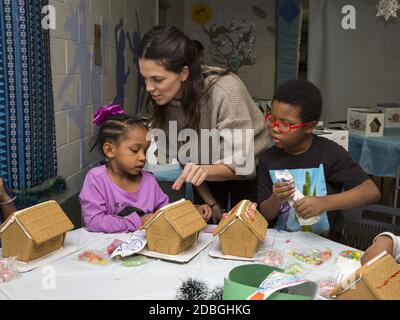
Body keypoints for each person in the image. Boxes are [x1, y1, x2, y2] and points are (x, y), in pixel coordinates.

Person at [138, 26, 270, 222]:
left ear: (183, 73)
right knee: (208, 227)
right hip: (207, 175)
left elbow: (243, 166)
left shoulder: (224, 90)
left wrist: (203, 170)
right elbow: (190, 163)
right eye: (145, 78)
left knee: (244, 232)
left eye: (157, 79)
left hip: (249, 171)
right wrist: (211, 203)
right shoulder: (164, 100)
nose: (149, 88)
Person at [257, 79, 380, 241]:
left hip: (326, 244)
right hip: (282, 245)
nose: (275, 128)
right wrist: (276, 199)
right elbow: (265, 214)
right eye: (272, 119)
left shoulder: (329, 153)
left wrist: (324, 203)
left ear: (309, 126)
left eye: (286, 125)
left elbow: (371, 192)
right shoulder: (268, 158)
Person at [79, 104, 211, 233]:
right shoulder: (96, 179)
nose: (143, 157)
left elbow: (166, 211)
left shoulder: (149, 180)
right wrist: (139, 221)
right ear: (109, 150)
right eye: (135, 150)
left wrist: (191, 211)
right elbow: (94, 221)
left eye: (145, 151)